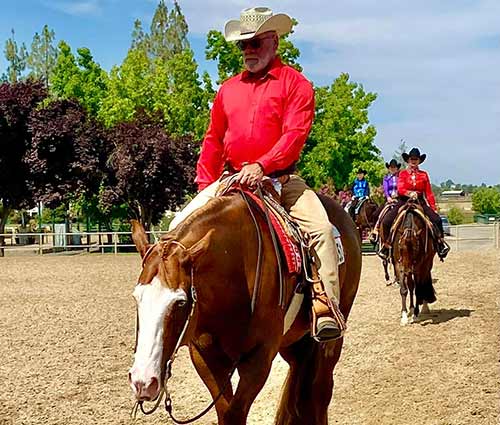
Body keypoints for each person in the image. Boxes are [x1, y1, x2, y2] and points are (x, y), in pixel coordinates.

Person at [168, 7, 344, 341]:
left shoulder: (296, 84)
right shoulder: (227, 90)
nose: (249, 50)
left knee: (321, 230)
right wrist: (207, 187)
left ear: (274, 42)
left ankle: (324, 305)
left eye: (256, 43)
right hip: (230, 179)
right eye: (243, 45)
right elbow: (213, 140)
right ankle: (175, 306)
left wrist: (262, 165)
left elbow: (294, 135)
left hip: (280, 180)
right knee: (178, 227)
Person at [378, 148, 450, 259]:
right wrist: (409, 193)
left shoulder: (424, 175)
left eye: (416, 159)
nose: (413, 161)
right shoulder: (402, 174)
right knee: (387, 221)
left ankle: (440, 243)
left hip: (420, 201)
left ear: (419, 161)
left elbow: (429, 193)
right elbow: (400, 189)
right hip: (403, 201)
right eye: (412, 159)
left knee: (437, 220)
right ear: (408, 160)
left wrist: (433, 207)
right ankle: (387, 246)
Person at [369, 159, 401, 243]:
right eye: (391, 168)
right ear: (389, 168)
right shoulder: (386, 178)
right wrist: (388, 197)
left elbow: (402, 187)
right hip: (389, 199)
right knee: (376, 214)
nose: (393, 169)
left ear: (397, 169)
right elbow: (386, 189)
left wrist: (398, 194)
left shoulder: (400, 178)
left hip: (399, 199)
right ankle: (375, 231)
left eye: (394, 168)